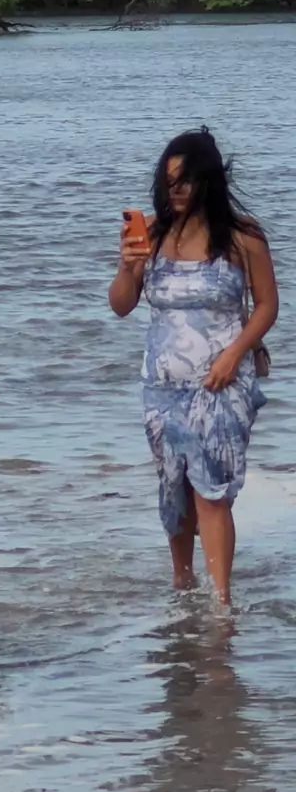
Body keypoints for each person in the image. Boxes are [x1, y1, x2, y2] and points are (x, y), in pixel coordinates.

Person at [109, 128, 278, 605]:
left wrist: (234, 354)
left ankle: (221, 602)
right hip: (162, 384)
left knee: (211, 490)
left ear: (208, 180)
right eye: (169, 182)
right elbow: (121, 305)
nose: (176, 190)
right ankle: (182, 588)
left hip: (222, 382)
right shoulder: (154, 234)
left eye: (185, 180)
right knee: (174, 488)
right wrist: (127, 266)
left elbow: (267, 305)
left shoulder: (243, 237)